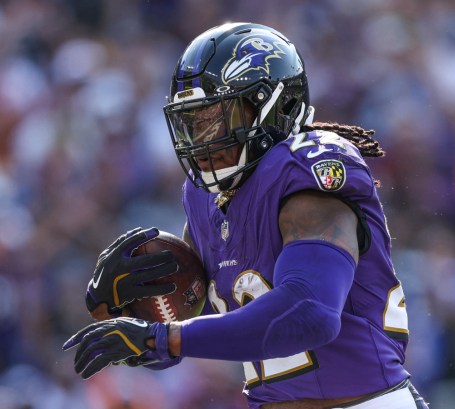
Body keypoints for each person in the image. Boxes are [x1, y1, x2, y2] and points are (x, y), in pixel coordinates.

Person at [63, 22, 429, 409]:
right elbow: (204, 331)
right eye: (191, 124)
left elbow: (311, 313)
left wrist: (163, 338)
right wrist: (127, 319)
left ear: (274, 106)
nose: (201, 141)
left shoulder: (303, 172)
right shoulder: (205, 198)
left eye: (215, 119)